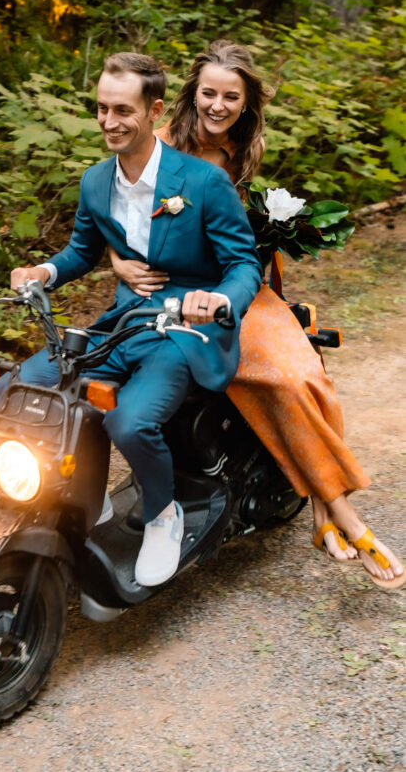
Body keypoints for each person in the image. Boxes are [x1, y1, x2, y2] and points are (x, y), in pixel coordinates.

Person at [109, 40, 405, 591]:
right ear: (193, 93)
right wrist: (117, 260)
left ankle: (325, 509)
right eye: (209, 93)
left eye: (231, 97)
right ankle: (341, 515)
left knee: (301, 373)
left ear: (246, 103)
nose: (217, 106)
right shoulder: (156, 144)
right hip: (173, 291)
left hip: (233, 287)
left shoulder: (243, 149)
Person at [0, 52, 262, 587]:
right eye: (102, 108)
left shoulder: (203, 181)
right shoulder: (96, 181)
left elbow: (243, 264)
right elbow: (81, 251)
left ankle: (164, 513)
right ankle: (82, 493)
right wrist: (42, 272)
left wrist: (217, 300)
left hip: (184, 331)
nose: (109, 122)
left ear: (154, 110)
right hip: (125, 320)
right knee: (16, 386)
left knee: (129, 420)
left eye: (123, 110)